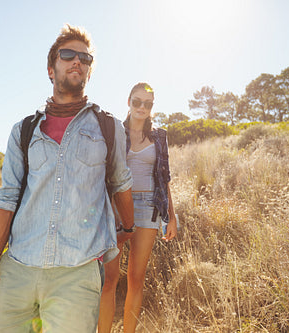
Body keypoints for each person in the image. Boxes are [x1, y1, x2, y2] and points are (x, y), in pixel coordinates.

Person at [0, 24, 135, 333]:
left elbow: (121, 183)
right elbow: (6, 202)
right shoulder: (23, 131)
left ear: (89, 72)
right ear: (51, 69)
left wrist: (127, 228)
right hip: (19, 270)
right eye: (68, 54)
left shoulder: (109, 127)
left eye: (85, 58)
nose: (78, 61)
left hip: (77, 275)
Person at [98, 82, 178, 333]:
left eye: (148, 103)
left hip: (149, 209)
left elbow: (163, 178)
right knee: (109, 279)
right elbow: (105, 173)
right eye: (137, 101)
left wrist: (171, 217)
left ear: (152, 107)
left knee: (136, 279)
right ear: (129, 102)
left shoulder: (159, 136)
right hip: (118, 208)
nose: (142, 107)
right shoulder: (115, 134)